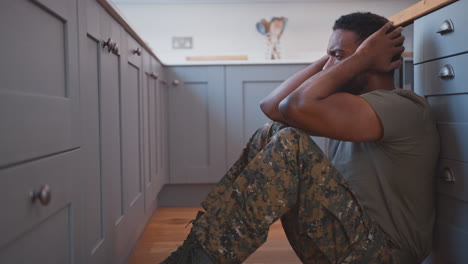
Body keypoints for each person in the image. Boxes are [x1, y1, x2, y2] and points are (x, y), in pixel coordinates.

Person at [161, 12, 439, 264]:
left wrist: (361, 57)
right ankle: (194, 253)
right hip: (352, 239)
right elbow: (272, 107)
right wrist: (335, 57)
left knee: (290, 143)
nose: (329, 66)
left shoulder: (403, 107)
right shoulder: (347, 107)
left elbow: (294, 106)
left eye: (339, 56)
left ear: (374, 58)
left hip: (385, 254)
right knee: (273, 132)